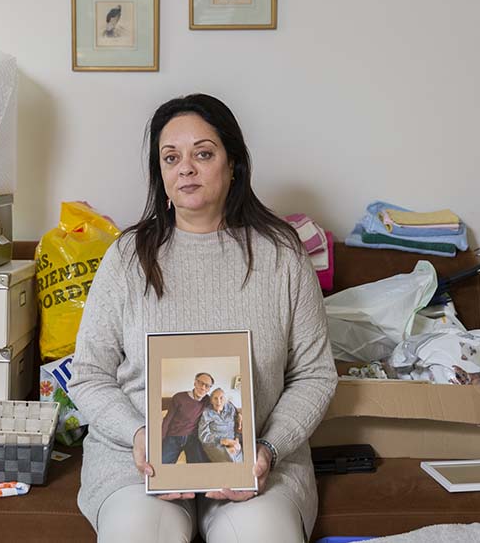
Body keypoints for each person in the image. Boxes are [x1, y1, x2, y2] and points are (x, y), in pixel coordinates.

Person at [70, 93, 338, 543]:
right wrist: (138, 435)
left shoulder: (283, 255)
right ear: (160, 172)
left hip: (255, 462)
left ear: (234, 165)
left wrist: (268, 449)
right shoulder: (126, 258)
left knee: (262, 536)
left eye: (203, 154)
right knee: (138, 534)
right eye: (171, 157)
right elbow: (89, 375)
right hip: (137, 463)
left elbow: (315, 375)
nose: (186, 169)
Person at [161, 372, 214, 464]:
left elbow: (223, 402)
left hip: (193, 438)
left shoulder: (207, 400)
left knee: (200, 464)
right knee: (162, 462)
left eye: (207, 386)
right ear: (195, 382)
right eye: (201, 383)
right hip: (173, 436)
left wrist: (238, 415)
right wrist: (161, 438)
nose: (203, 387)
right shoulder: (179, 397)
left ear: (209, 388)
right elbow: (167, 419)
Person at [198, 388, 243, 463]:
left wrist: (237, 439)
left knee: (240, 459)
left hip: (232, 441)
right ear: (211, 401)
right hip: (214, 443)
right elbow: (203, 435)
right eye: (215, 398)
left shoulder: (231, 408)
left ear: (225, 400)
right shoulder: (207, 413)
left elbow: (238, 426)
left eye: (221, 398)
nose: (218, 401)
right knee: (229, 459)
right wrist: (223, 441)